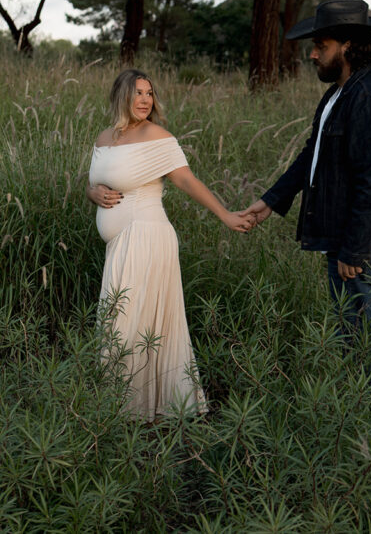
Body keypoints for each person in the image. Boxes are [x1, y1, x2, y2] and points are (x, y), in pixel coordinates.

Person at [244, 0, 371, 362]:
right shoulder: (339, 93)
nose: (313, 55)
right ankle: (363, 394)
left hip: (367, 237)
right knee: (349, 323)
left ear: (349, 46)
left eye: (322, 47)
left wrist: (355, 249)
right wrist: (271, 200)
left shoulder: (368, 96)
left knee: (361, 325)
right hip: (349, 232)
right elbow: (314, 154)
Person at [87, 68, 252, 420]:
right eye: (138, 92)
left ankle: (136, 410)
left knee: (128, 323)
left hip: (146, 237)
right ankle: (129, 406)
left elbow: (186, 180)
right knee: (119, 320)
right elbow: (94, 184)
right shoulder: (104, 137)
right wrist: (93, 192)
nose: (146, 100)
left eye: (149, 93)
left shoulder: (157, 136)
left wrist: (225, 215)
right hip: (119, 244)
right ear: (121, 96)